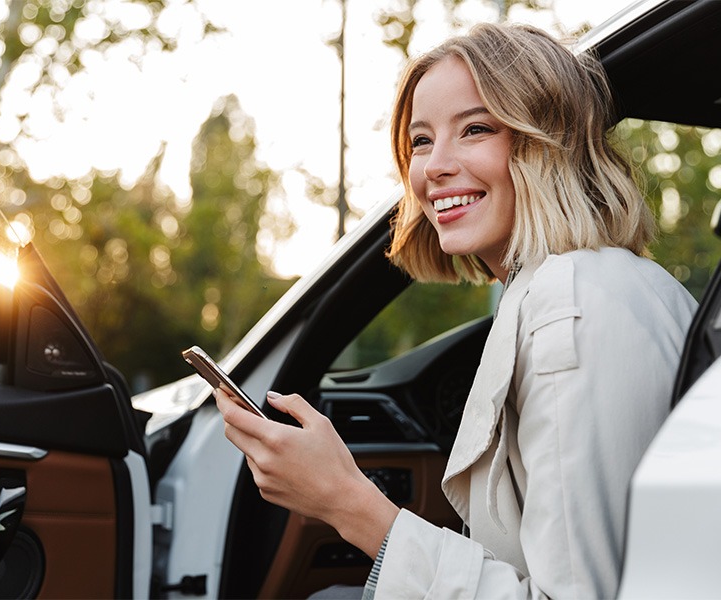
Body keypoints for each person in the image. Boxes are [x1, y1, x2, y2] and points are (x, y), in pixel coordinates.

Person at [214, 22, 698, 599]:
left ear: (547, 142)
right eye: (421, 140)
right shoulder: (584, 283)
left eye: (475, 129)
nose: (434, 167)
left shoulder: (571, 304)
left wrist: (346, 501)